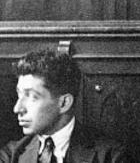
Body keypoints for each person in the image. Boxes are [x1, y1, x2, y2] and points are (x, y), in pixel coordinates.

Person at [0, 49, 129, 162]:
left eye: (32, 97)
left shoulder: (110, 157)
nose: (17, 108)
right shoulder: (10, 155)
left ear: (64, 103)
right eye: (19, 95)